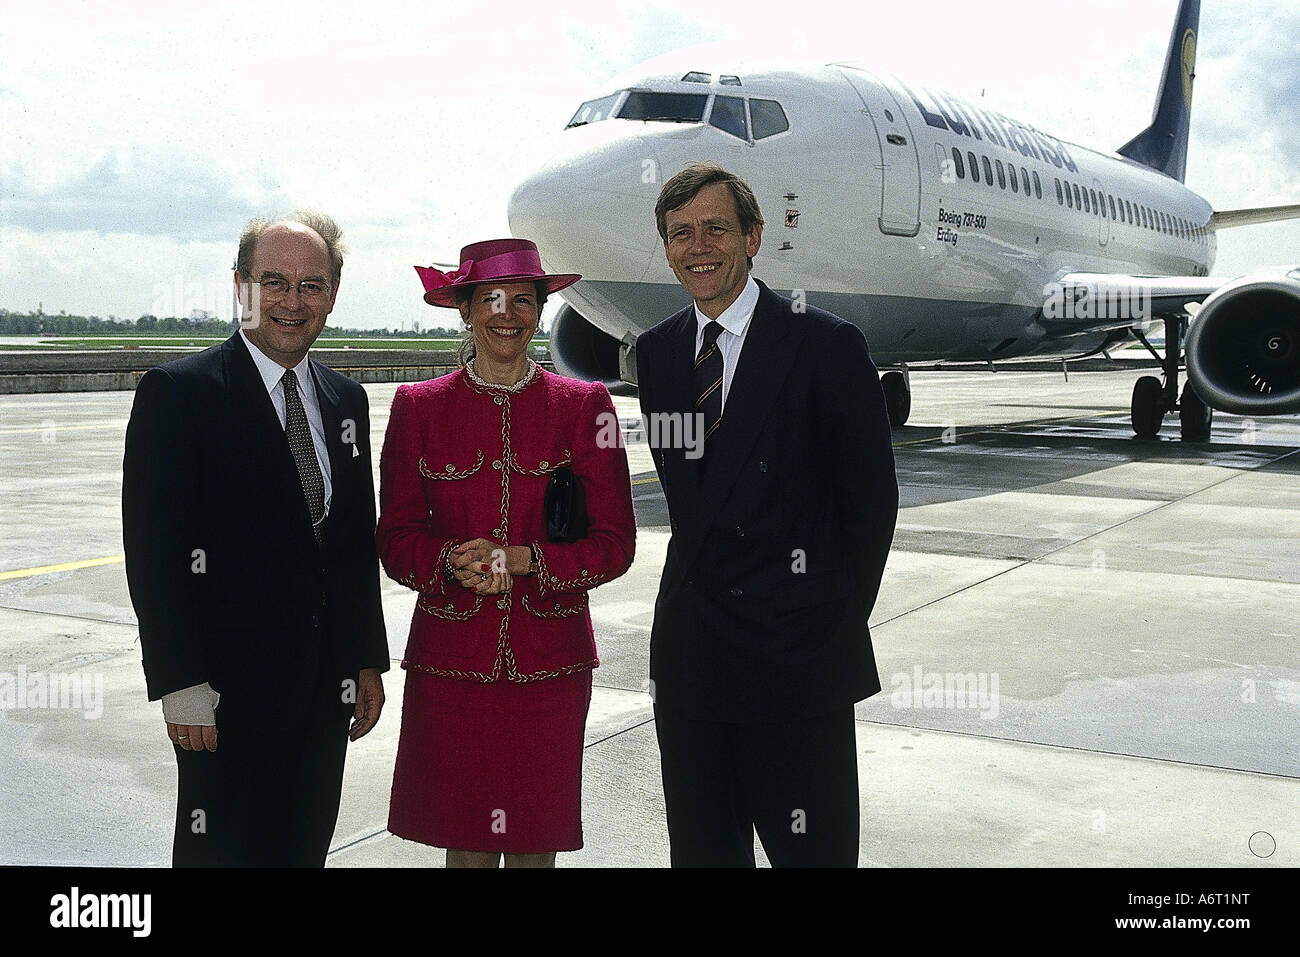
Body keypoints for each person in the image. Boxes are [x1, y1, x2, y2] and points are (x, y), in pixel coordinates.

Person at [635, 163, 898, 867]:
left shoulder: (826, 345)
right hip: (693, 665)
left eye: (716, 228)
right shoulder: (656, 354)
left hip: (797, 667)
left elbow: (870, 508)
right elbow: (691, 501)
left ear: (753, 237)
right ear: (666, 248)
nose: (698, 247)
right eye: (680, 233)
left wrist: (823, 624)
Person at [122, 211, 390, 867]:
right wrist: (181, 681)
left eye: (311, 285)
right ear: (241, 285)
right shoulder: (179, 394)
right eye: (274, 282)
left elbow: (352, 545)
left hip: (323, 693)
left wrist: (365, 658)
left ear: (332, 294)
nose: (292, 302)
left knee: (302, 851)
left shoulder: (346, 400)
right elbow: (155, 554)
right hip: (223, 699)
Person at [377, 238, 636, 868]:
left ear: (540, 311)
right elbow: (396, 538)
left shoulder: (586, 407)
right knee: (466, 846)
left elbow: (615, 544)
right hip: (453, 667)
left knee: (534, 844)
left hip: (548, 666)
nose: (507, 314)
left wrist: (524, 562)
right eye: (490, 299)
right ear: (465, 309)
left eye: (523, 300)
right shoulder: (418, 408)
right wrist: (450, 562)